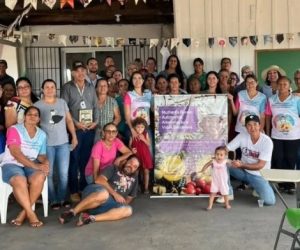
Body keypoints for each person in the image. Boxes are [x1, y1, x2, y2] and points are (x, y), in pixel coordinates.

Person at [1, 106, 49, 227]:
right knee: (19, 179)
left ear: (39, 119)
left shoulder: (42, 134)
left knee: (40, 176)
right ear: (24, 117)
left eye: (35, 115)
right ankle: (31, 214)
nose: (32, 116)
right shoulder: (14, 129)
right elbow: (15, 153)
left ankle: (23, 214)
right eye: (29, 114)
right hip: (12, 163)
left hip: (30, 165)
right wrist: (36, 166)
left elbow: (41, 155)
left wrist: (45, 163)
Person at [59, 155, 140, 226]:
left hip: (107, 205)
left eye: (135, 166)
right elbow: (99, 180)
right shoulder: (114, 168)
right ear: (125, 161)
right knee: (104, 194)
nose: (131, 166)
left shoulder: (134, 179)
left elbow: (129, 198)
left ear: (136, 170)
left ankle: (90, 218)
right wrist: (115, 194)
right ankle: (72, 212)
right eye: (130, 162)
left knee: (128, 210)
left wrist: (120, 206)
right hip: (94, 192)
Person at [34, 79, 78, 210]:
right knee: (49, 172)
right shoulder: (37, 105)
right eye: (46, 87)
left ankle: (63, 197)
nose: (49, 89)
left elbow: (69, 120)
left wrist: (74, 137)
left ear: (55, 89)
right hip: (46, 145)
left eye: (52, 87)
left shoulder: (62, 103)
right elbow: (34, 125)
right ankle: (53, 199)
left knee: (64, 173)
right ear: (42, 89)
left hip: (63, 143)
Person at [61, 61, 98, 202]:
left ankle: (83, 188)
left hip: (89, 130)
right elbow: (65, 109)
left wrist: (95, 122)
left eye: (83, 70)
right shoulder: (67, 87)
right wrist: (76, 123)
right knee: (74, 160)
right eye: (78, 71)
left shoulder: (90, 87)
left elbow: (95, 106)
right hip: (74, 130)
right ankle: (73, 190)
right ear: (73, 73)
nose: (81, 73)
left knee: (85, 160)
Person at [227, 114, 276, 206]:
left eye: (255, 124)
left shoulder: (267, 141)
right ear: (245, 127)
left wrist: (241, 165)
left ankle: (259, 187)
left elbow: (260, 165)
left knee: (269, 201)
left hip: (259, 175)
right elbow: (226, 148)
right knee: (223, 163)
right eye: (249, 125)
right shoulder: (242, 136)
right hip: (243, 172)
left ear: (260, 125)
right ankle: (227, 192)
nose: (252, 127)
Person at [265, 76, 300, 194]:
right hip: (276, 135)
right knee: (278, 158)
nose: (282, 86)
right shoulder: (271, 100)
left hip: (293, 136)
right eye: (280, 84)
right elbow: (268, 116)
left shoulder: (296, 99)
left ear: (289, 86)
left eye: (285, 84)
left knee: (290, 159)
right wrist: (268, 131)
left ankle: (289, 185)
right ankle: (280, 183)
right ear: (276, 85)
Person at [201, 146, 231, 210]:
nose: (219, 156)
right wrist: (203, 170)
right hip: (215, 181)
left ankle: (227, 204)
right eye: (217, 154)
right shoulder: (213, 161)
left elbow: (232, 163)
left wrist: (236, 164)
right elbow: (207, 164)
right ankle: (210, 205)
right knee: (212, 193)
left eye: (221, 155)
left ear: (225, 156)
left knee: (225, 193)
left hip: (223, 181)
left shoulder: (226, 161)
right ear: (215, 154)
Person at [129, 117, 153, 194]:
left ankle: (146, 188)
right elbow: (129, 145)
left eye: (142, 127)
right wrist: (131, 150)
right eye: (138, 127)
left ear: (144, 128)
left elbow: (149, 144)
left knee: (146, 171)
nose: (140, 129)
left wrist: (143, 139)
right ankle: (136, 187)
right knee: (136, 171)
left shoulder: (145, 134)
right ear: (134, 127)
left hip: (145, 155)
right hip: (136, 156)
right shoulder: (132, 135)